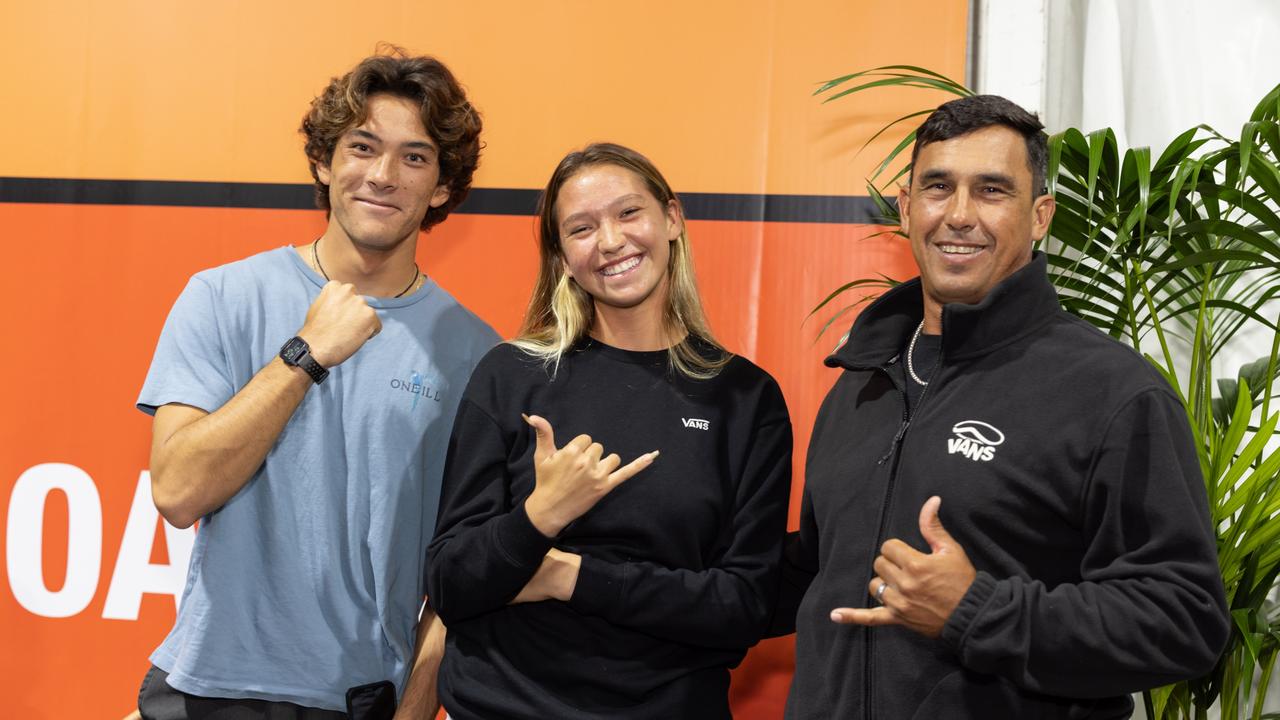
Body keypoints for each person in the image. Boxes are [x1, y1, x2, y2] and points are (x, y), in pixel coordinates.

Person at [775, 95, 1230, 718]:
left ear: (1040, 215)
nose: (959, 215)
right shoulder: (862, 380)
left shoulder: (1113, 391)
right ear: (907, 210)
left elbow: (1186, 620)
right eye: (938, 188)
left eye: (992, 191)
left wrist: (976, 611)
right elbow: (811, 575)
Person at [134, 50, 496, 719]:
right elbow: (179, 491)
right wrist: (304, 357)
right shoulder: (221, 297)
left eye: (415, 158)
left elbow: (468, 571)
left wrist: (415, 705)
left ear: (443, 187)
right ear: (326, 162)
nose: (383, 176)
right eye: (363, 147)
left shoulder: (480, 356)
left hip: (360, 700)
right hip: (208, 689)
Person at [426, 142, 793, 719]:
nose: (611, 241)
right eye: (581, 228)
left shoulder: (744, 397)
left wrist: (566, 576)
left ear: (671, 219)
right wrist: (541, 515)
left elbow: (742, 605)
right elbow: (450, 584)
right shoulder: (512, 375)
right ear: (562, 258)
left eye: (628, 213)